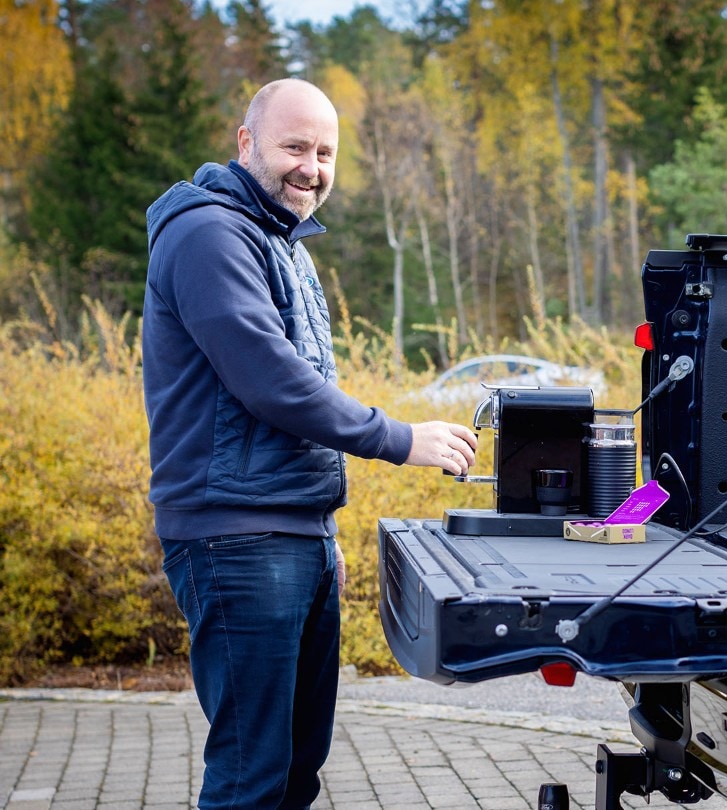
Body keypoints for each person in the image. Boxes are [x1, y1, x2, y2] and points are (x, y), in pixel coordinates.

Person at [141, 78, 477, 809]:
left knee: (295, 771)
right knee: (251, 777)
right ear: (246, 141)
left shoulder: (279, 241)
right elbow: (274, 382)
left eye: (325, 153)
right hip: (236, 539)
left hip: (287, 534)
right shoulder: (209, 235)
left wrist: (320, 531)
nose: (312, 167)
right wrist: (399, 438)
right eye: (295, 146)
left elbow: (298, 395)